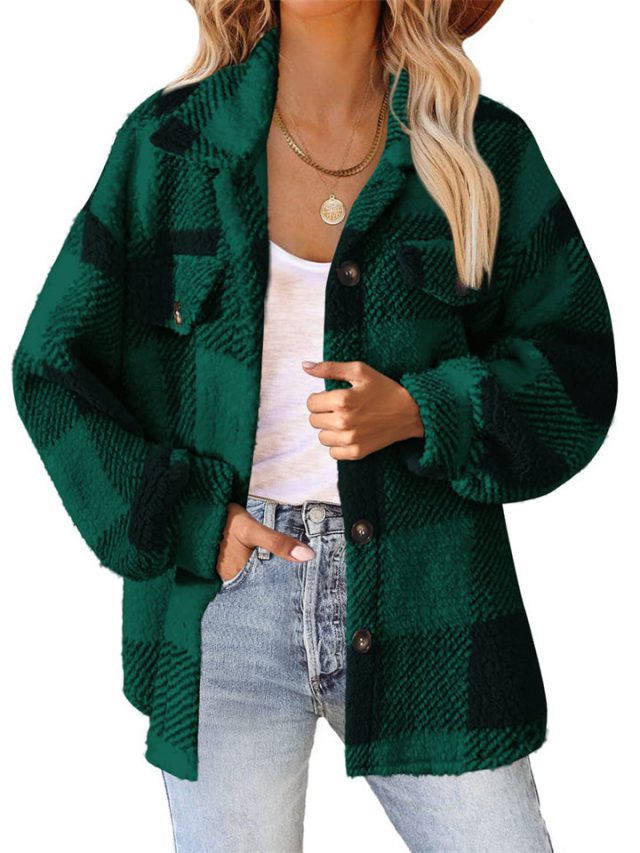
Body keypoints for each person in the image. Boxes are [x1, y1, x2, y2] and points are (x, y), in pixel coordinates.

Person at [13, 1, 618, 850]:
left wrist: (423, 410)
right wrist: (191, 520)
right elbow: (50, 368)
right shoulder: (171, 144)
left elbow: (575, 372)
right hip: (225, 601)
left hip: (430, 593)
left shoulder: (484, 149)